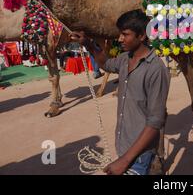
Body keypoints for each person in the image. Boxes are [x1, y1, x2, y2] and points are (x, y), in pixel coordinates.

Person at [71, 10, 170, 175]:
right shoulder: (125, 59)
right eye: (120, 34)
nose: (120, 39)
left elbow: (155, 122)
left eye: (125, 34)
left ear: (141, 36)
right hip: (123, 145)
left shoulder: (156, 70)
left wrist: (124, 161)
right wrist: (88, 44)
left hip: (139, 154)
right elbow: (107, 64)